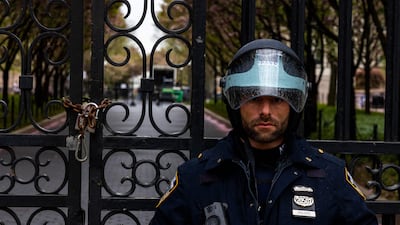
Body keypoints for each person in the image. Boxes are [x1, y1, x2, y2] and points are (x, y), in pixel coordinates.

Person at [149, 39, 378, 225]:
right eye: (255, 98)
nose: (266, 111)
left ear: (294, 104)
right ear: (236, 102)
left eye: (277, 99)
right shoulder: (195, 177)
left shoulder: (330, 175)